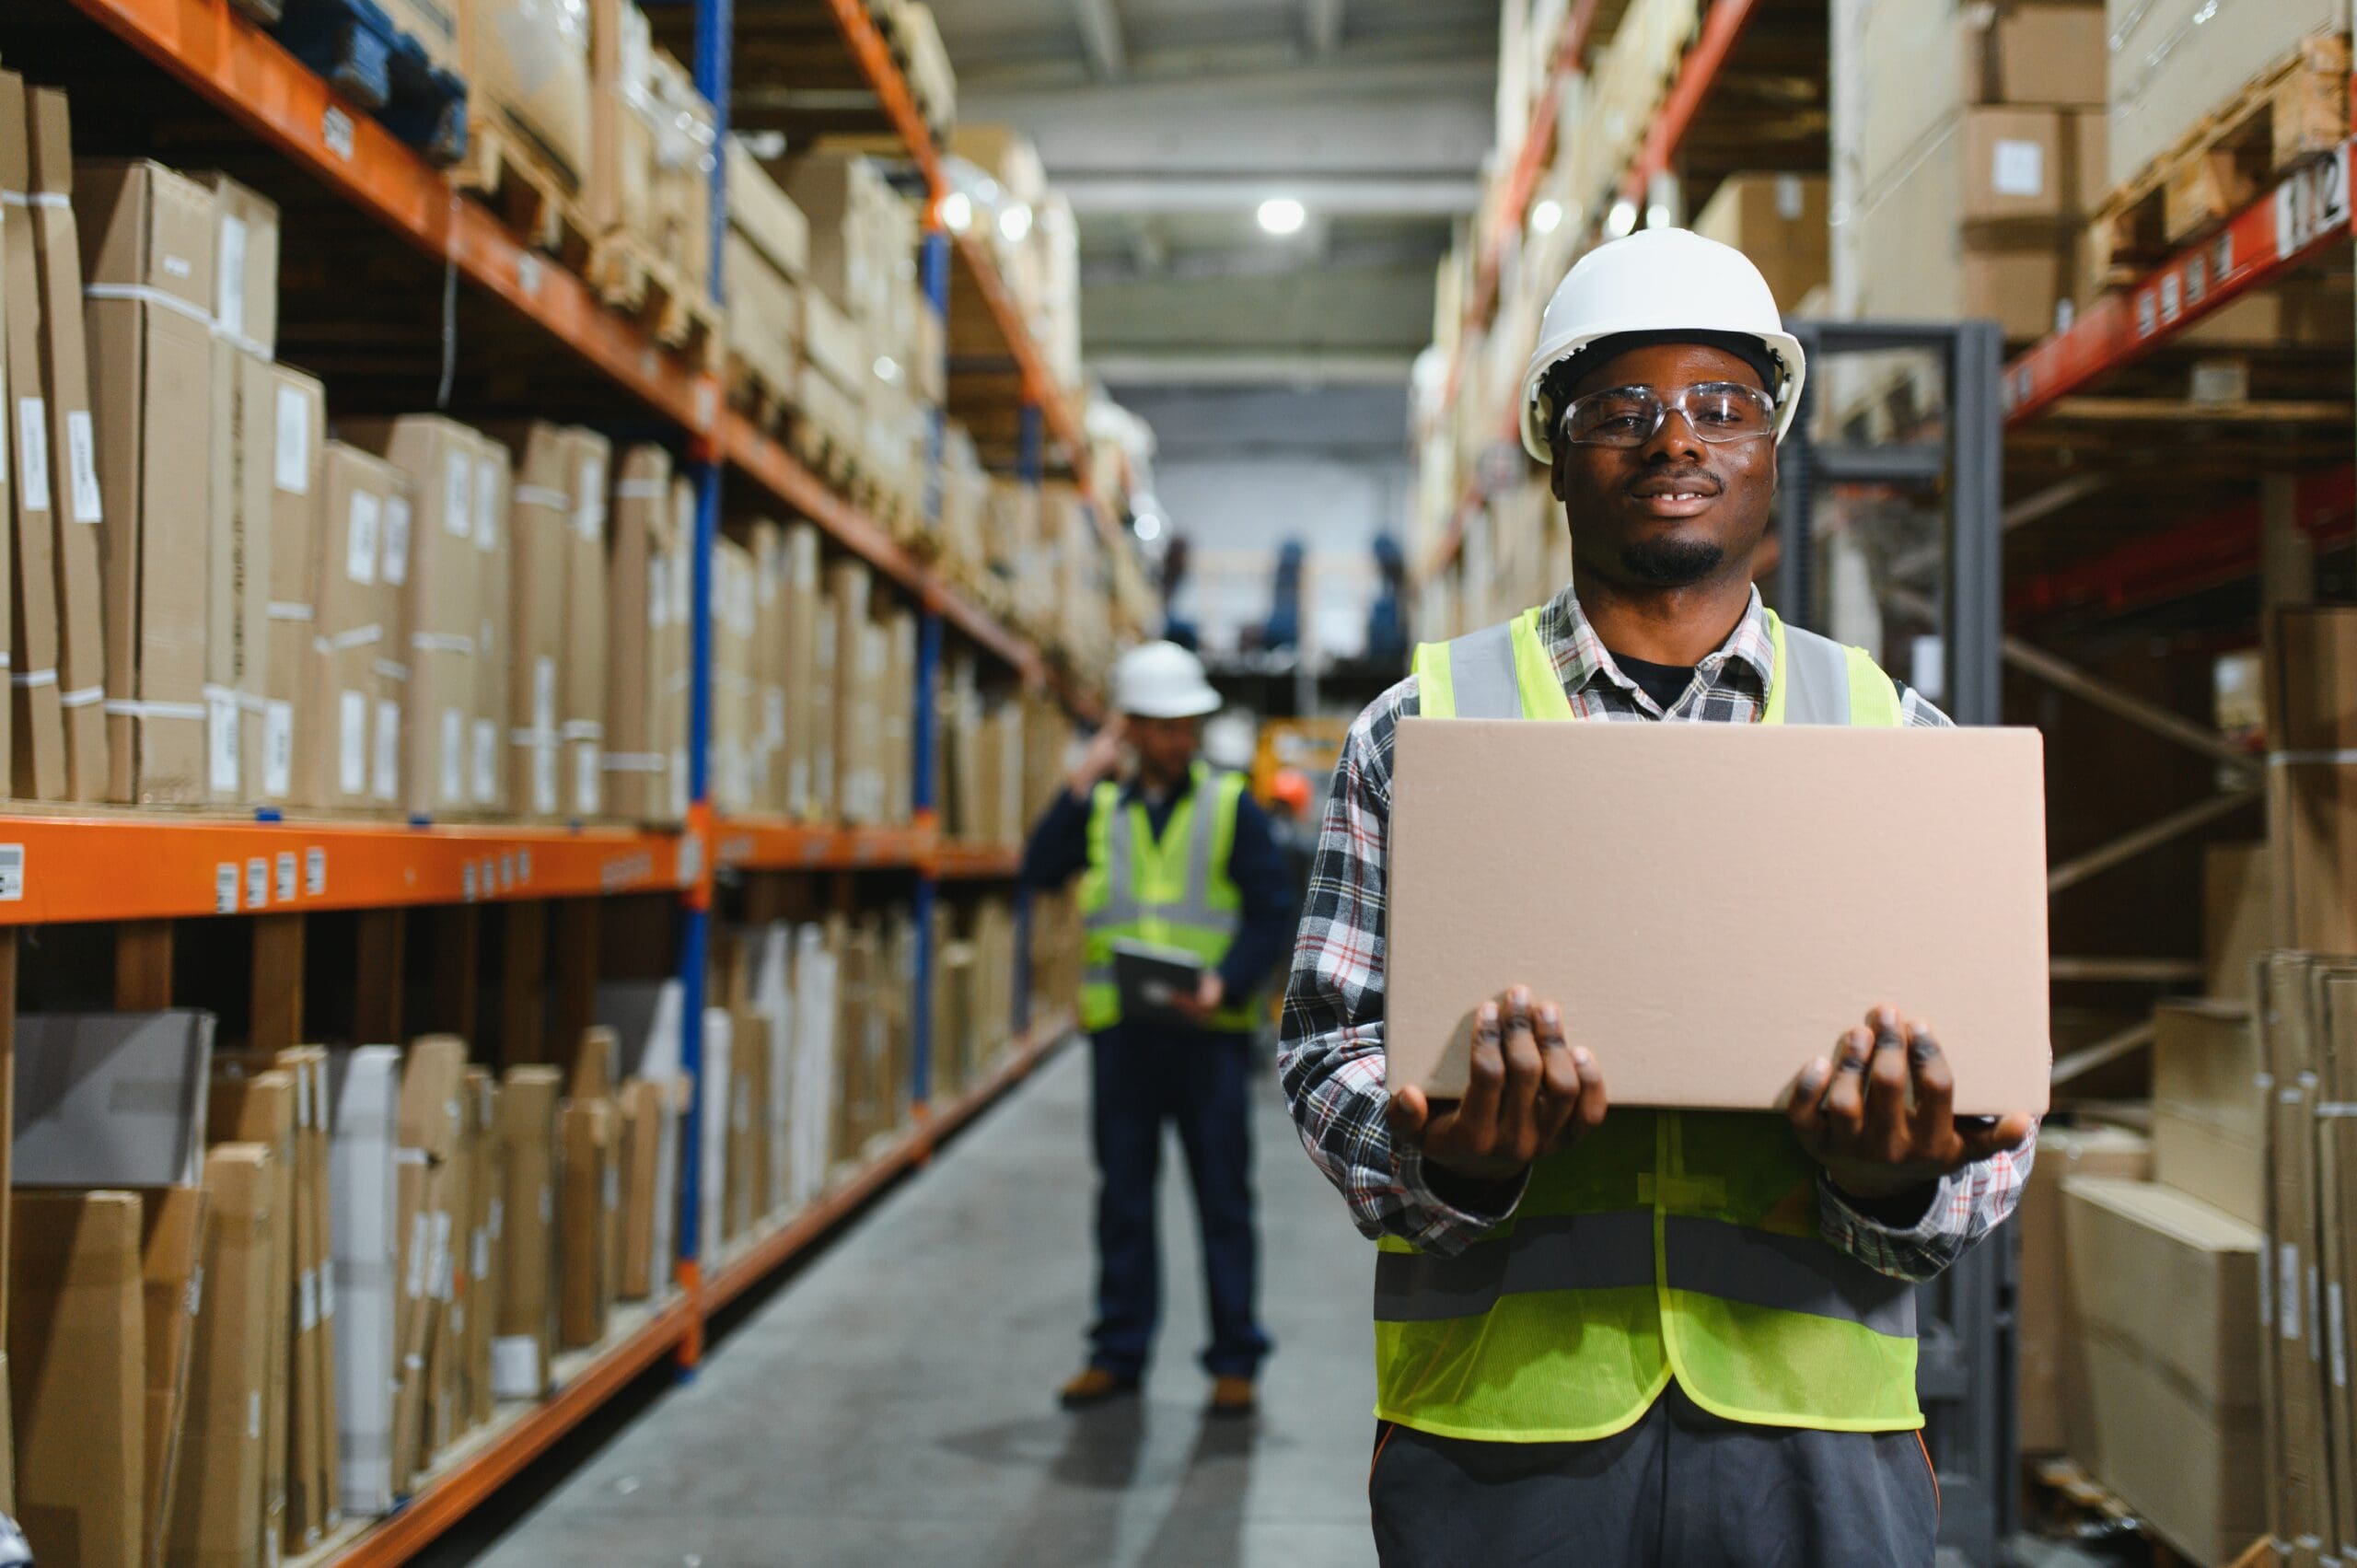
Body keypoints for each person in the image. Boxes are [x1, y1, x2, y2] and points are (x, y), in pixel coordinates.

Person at [1278, 227, 2039, 1565]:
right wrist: (1463, 1162)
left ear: (1772, 450)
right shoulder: (1423, 730)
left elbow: (2000, 1101)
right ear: (1555, 454)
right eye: (1620, 409)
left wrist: (1896, 1178)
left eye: (1721, 407)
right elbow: (1327, 1049)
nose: (1674, 438)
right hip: (1507, 1439)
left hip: (1815, 1438)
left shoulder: (1897, 737)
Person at [1024, 640, 1298, 1416]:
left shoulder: (1228, 804)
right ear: (1130, 729)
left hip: (1207, 1038)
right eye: (1162, 726)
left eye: (1188, 725)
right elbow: (1039, 868)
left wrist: (1230, 981)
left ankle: (1235, 1358)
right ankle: (1118, 1352)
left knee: (1222, 1200)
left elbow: (1271, 908)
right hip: (1125, 1039)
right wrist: (1082, 776)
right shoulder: (1102, 806)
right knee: (1124, 1201)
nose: (1180, 739)